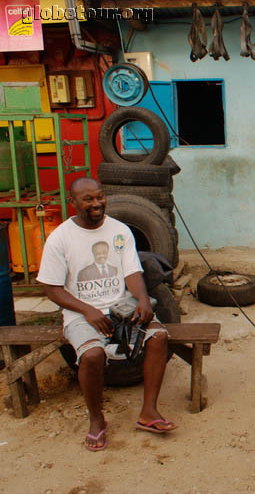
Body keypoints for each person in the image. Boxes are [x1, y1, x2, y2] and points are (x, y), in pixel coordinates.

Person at [37, 177, 177, 452]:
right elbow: (51, 289)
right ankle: (97, 419)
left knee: (159, 336)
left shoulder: (120, 230)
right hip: (81, 312)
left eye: (99, 197)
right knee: (92, 355)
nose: (97, 203)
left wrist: (141, 299)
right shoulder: (60, 238)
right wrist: (87, 310)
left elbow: (131, 272)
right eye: (88, 199)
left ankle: (148, 412)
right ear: (73, 202)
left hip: (120, 304)